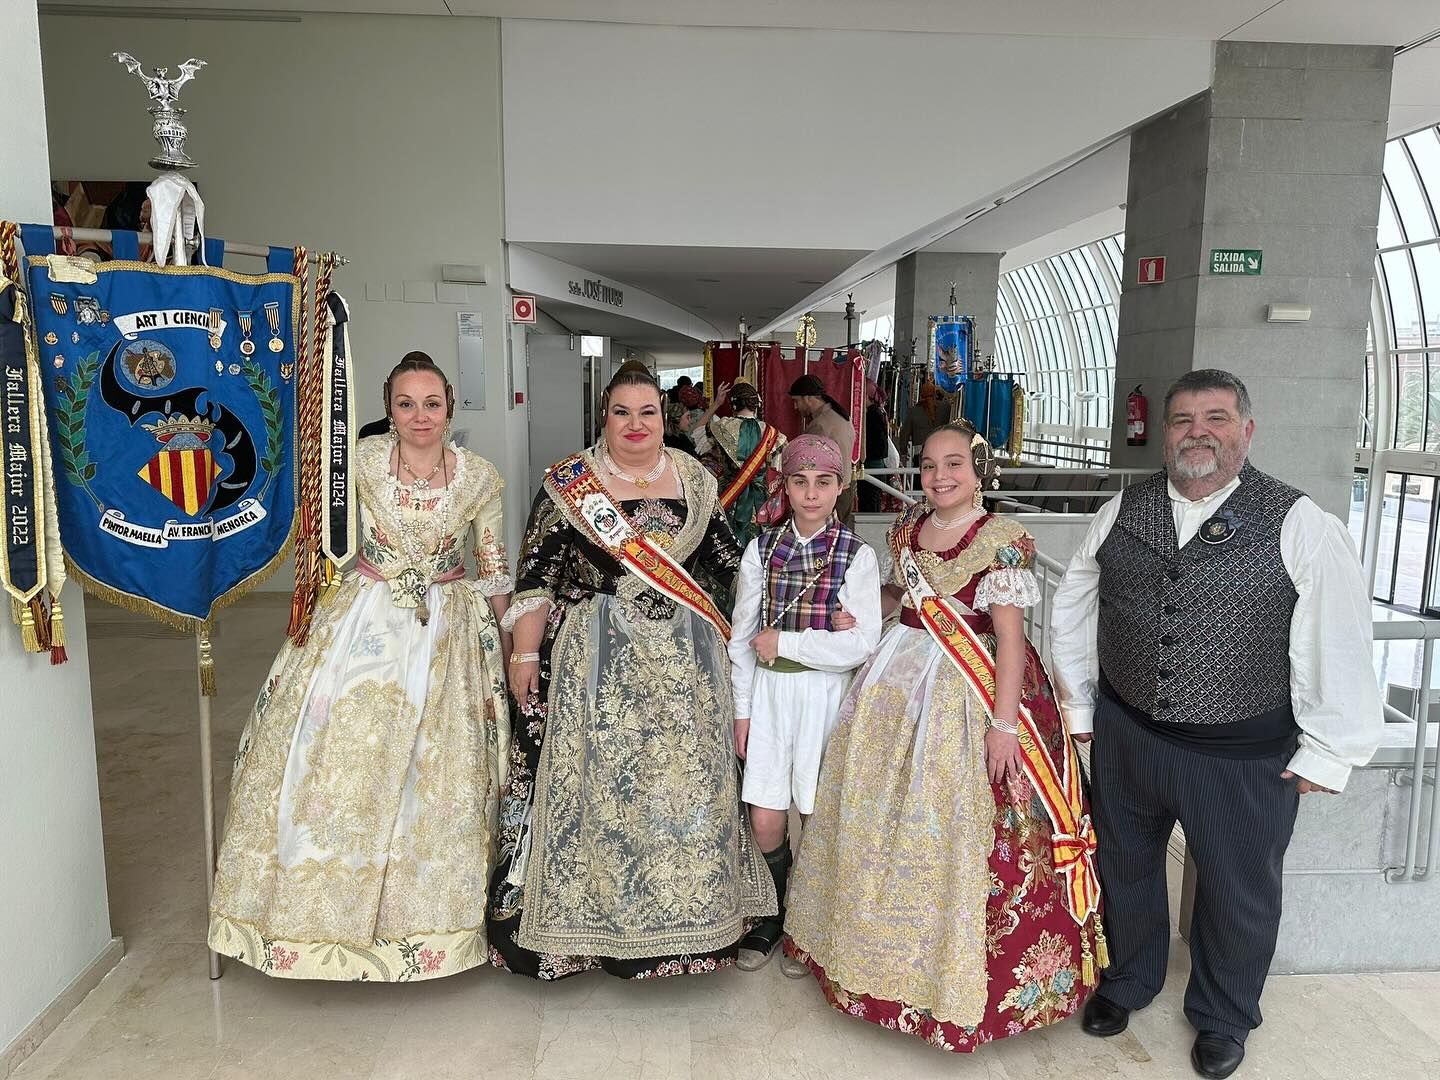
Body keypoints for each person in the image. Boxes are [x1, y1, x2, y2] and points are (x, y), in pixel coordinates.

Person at [1049, 369, 1383, 1080]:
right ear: (1164, 432)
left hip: (1242, 754)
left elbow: (1337, 635)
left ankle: (1225, 1015)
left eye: (1217, 418)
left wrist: (1329, 748)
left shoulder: (1298, 521)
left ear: (1247, 430)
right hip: (1128, 736)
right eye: (1183, 419)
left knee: (1239, 892)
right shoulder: (1121, 511)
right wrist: (1081, 707)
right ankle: (1128, 981)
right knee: (1124, 869)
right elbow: (1074, 603)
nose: (1198, 431)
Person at [783, 421, 1105, 1053]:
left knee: (955, 822)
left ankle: (954, 982)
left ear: (979, 471)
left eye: (954, 464)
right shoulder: (908, 528)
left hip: (973, 688)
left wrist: (1005, 725)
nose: (939, 477)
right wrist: (866, 609)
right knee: (874, 814)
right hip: (898, 676)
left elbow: (1010, 641)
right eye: (928, 466)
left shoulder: (1003, 541)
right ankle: (866, 959)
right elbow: (903, 594)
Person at [208, 355, 513, 981]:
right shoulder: (359, 462)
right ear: (388, 406)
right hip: (364, 616)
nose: (420, 415)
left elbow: (494, 566)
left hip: (448, 627)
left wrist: (506, 653)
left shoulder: (480, 476)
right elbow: (318, 535)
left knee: (438, 772)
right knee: (336, 757)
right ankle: (311, 921)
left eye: (431, 402)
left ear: (450, 405)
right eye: (406, 403)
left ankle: (431, 927)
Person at [488, 360, 775, 980]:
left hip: (686, 664)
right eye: (622, 412)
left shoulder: (696, 480)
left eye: (647, 412)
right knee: (603, 790)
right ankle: (588, 929)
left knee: (682, 787)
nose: (635, 424)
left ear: (662, 417)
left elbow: (730, 572)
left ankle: (691, 927)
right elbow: (537, 578)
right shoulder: (570, 484)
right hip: (595, 660)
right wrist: (526, 652)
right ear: (605, 418)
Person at [728, 434, 882, 971]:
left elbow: (860, 645)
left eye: (824, 482)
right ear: (786, 486)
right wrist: (742, 710)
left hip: (824, 697)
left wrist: (789, 642)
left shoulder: (857, 556)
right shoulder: (761, 548)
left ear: (841, 487)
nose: (812, 493)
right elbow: (743, 635)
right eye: (800, 482)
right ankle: (771, 910)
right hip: (769, 694)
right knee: (765, 812)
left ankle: (806, 919)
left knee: (816, 809)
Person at [692, 379, 787, 548]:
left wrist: (715, 405)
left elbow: (697, 433)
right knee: (761, 546)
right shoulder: (774, 435)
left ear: (733, 404)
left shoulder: (721, 427)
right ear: (756, 404)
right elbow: (778, 473)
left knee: (725, 543)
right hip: (761, 502)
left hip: (728, 495)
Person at [789, 374, 857, 521]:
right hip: (845, 489)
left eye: (796, 401)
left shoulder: (820, 424)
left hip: (830, 493)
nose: (795, 407)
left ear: (807, 398)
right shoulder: (840, 416)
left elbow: (809, 465)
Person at [858, 378, 892, 512]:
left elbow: (876, 444)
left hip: (871, 465)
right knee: (873, 501)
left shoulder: (871, 415)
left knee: (869, 504)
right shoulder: (879, 412)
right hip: (877, 465)